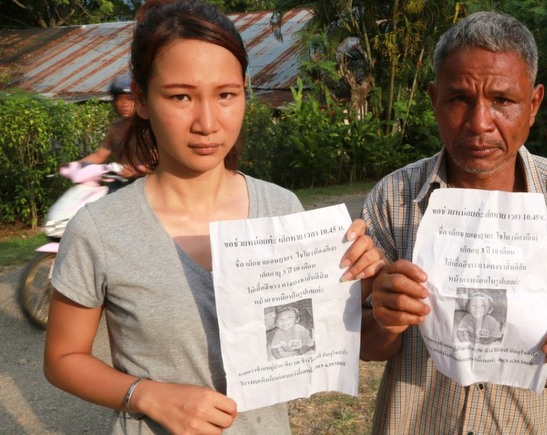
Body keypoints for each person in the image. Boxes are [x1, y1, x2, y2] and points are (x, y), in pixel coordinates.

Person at [43, 1, 384, 434]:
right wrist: (147, 394)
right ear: (142, 99)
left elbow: (321, 336)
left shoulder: (281, 209)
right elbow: (62, 359)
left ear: (244, 91)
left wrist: (360, 281)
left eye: (225, 95)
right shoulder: (100, 229)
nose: (207, 122)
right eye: (180, 96)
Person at [360, 11, 547, 433]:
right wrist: (386, 317)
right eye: (459, 99)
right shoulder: (393, 200)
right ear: (434, 98)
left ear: (534, 105)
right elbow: (366, 341)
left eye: (502, 101)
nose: (479, 123)